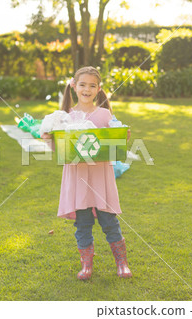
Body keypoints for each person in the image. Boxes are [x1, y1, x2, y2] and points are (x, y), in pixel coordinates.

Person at [42, 66, 132, 280]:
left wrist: (123, 136)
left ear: (99, 89)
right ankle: (86, 266)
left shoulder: (104, 115)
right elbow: (62, 149)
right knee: (82, 223)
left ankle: (122, 263)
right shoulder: (65, 118)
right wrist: (48, 139)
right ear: (74, 86)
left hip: (100, 177)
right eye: (82, 85)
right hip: (78, 178)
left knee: (109, 221)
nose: (87, 89)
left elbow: (113, 141)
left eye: (92, 85)